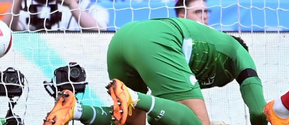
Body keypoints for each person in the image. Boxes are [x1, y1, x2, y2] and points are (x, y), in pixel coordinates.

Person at [43, 18, 268, 125]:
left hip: (122, 38)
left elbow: (163, 117)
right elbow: (259, 111)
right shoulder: (239, 52)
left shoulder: (200, 50)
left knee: (131, 121)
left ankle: (75, 109)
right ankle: (133, 96)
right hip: (158, 40)